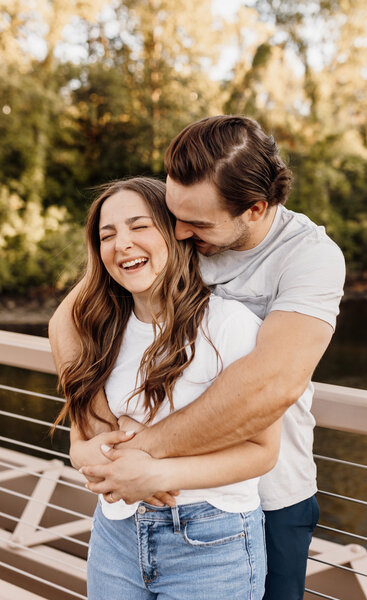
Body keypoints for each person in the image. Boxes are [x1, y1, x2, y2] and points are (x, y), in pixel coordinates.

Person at [50, 115, 346, 600]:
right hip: (145, 502)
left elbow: (270, 385)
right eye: (172, 213)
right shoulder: (171, 229)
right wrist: (104, 433)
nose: (180, 231)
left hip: (268, 493)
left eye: (196, 222)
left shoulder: (308, 258)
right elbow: (67, 322)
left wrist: (141, 455)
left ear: (255, 209)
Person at [53, 176, 282, 599]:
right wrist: (87, 454)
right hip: (116, 533)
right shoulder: (101, 331)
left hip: (211, 542)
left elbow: (263, 451)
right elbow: (80, 440)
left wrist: (157, 473)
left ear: (175, 232)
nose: (122, 243)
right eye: (108, 234)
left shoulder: (230, 326)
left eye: (139, 226)